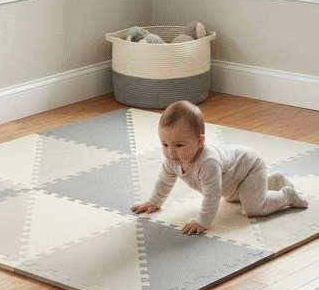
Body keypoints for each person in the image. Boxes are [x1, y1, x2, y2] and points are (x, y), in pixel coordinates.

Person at [131, 100, 308, 235]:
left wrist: (202, 221)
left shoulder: (208, 163)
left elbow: (212, 194)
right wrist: (153, 202)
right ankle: (273, 180)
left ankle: (287, 195)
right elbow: (164, 181)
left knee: (254, 208)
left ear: (200, 142)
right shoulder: (173, 161)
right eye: (164, 144)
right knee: (233, 199)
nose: (171, 153)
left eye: (178, 145)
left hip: (249, 168)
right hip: (233, 181)